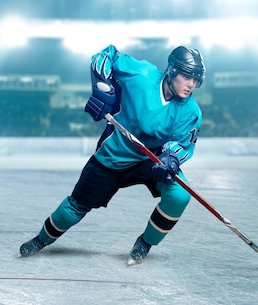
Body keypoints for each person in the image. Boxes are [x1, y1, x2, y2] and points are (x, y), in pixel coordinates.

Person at [19, 44, 205, 265]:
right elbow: (106, 56)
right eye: (186, 76)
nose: (191, 84)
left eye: (196, 79)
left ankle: (145, 242)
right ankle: (41, 239)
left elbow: (182, 145)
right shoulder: (142, 74)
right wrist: (102, 87)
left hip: (151, 161)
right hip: (114, 156)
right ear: (172, 70)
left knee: (180, 195)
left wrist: (171, 159)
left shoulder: (190, 111)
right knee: (76, 205)